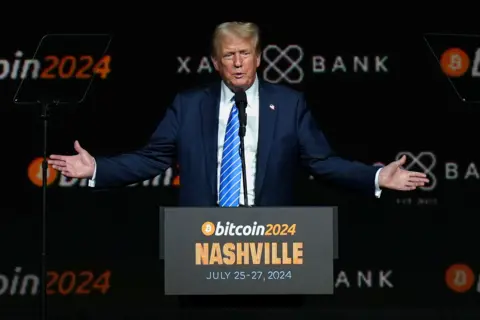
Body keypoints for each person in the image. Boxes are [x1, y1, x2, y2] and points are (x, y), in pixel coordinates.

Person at [48, 21, 428, 206]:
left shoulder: (290, 104)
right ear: (216, 62)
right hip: (201, 247)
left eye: (245, 53)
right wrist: (97, 168)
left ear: (259, 57)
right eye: (229, 55)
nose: (239, 63)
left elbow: (322, 162)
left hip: (273, 249)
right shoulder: (189, 105)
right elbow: (152, 159)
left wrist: (376, 175)